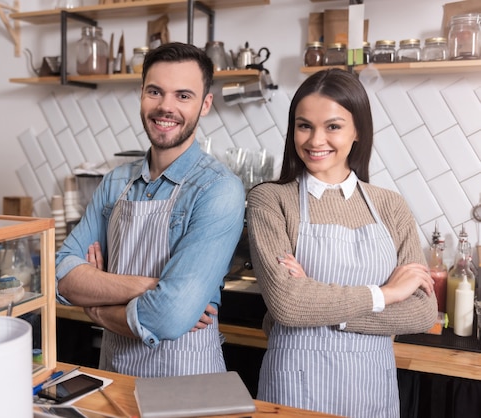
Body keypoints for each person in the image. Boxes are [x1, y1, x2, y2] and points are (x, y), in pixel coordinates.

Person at [247, 68, 437, 418]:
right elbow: (287, 304)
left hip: (372, 389)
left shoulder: (389, 205)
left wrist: (320, 306)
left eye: (332, 126)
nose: (315, 140)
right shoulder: (270, 200)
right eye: (304, 126)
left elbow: (423, 312)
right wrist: (387, 294)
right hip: (294, 389)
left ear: (358, 132)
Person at [55, 42, 245, 377]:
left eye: (183, 95)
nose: (165, 107)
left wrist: (97, 305)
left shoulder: (218, 189)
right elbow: (62, 277)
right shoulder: (115, 182)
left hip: (187, 386)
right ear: (141, 94)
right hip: (113, 379)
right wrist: (149, 286)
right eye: (155, 91)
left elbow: (170, 316)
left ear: (205, 105)